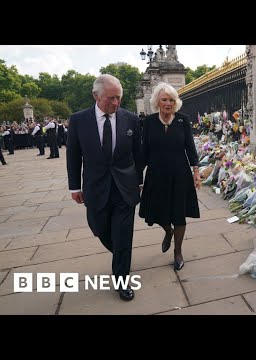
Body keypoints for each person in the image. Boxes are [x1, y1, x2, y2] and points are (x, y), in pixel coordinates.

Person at [66, 74, 144, 301]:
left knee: (123, 235)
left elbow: (138, 154)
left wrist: (139, 181)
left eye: (119, 98)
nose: (116, 103)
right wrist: (74, 187)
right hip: (95, 187)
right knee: (99, 229)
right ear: (96, 96)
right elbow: (73, 155)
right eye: (111, 98)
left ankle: (122, 276)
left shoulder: (130, 119)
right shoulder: (79, 120)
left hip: (125, 188)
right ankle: (121, 254)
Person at [139, 82, 201, 271]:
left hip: (180, 174)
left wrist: (196, 172)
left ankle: (178, 251)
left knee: (179, 214)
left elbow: (190, 147)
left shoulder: (183, 120)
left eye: (171, 100)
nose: (168, 103)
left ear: (176, 102)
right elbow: (144, 151)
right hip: (156, 175)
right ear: (157, 101)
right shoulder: (148, 122)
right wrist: (138, 178)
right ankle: (168, 231)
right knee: (159, 212)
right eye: (164, 99)